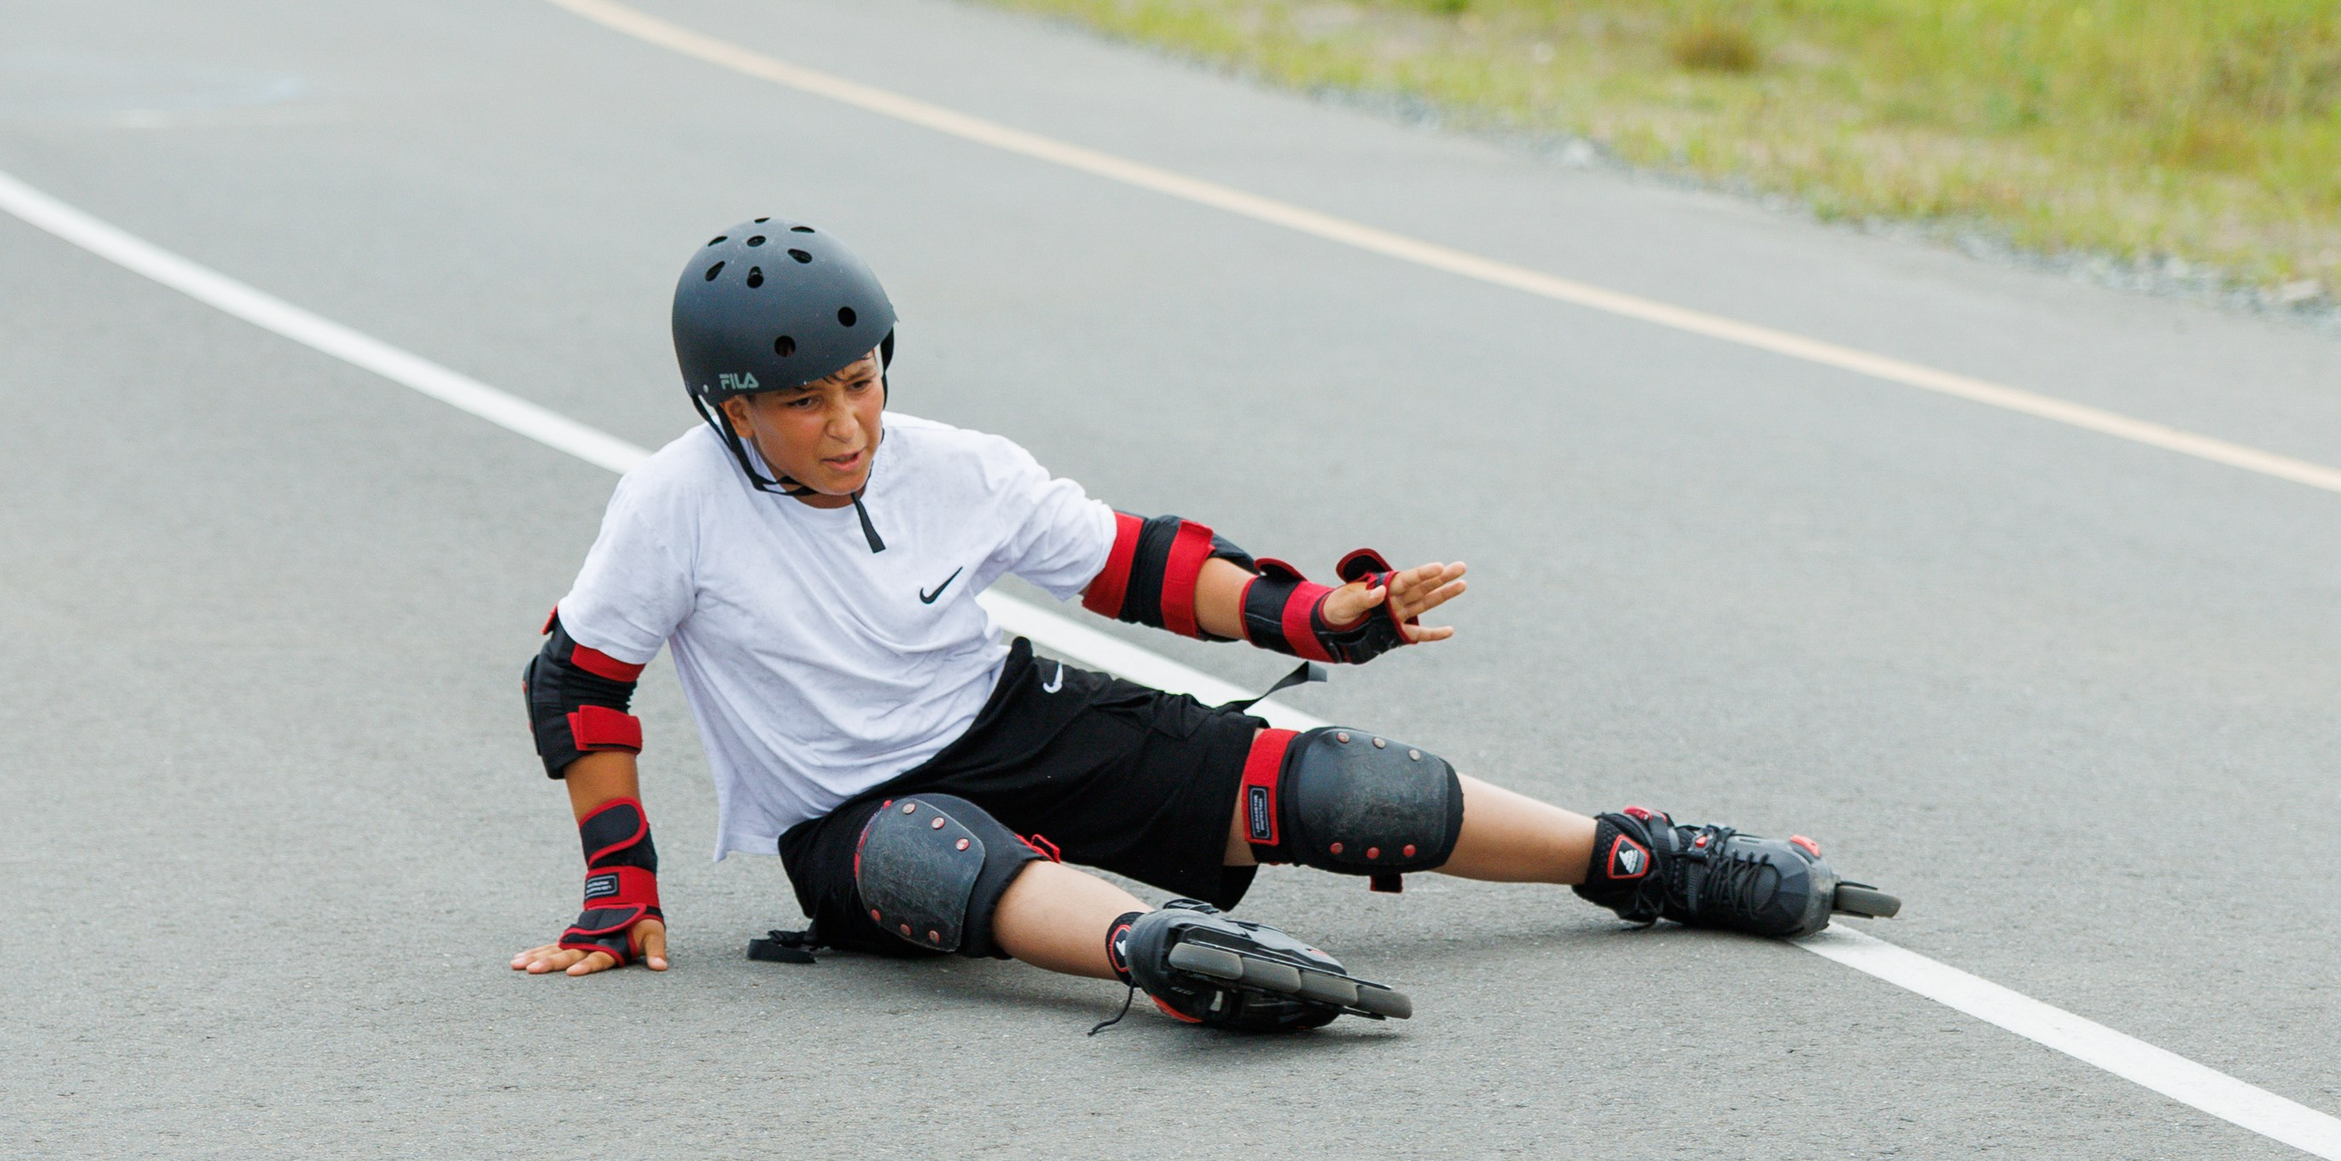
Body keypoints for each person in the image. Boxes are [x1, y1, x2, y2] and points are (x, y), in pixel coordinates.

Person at [511, 219, 1895, 1032]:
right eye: (803, 403)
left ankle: (1647, 858)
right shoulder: (674, 507)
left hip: (1015, 720)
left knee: (1349, 791)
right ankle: (1167, 958)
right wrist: (620, 885)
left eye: (861, 383)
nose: (846, 425)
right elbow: (580, 682)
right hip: (847, 817)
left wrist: (1320, 614)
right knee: (944, 855)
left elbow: (1136, 567)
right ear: (730, 410)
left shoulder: (954, 466)